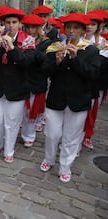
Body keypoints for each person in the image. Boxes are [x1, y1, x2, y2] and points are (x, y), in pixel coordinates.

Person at [40, 13, 100, 183]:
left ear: (83, 30)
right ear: (64, 30)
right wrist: (57, 62)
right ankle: (49, 159)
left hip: (78, 100)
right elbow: (45, 71)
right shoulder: (55, 47)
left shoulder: (91, 50)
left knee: (71, 137)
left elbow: (93, 74)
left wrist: (75, 59)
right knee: (52, 134)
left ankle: (65, 166)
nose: (71, 31)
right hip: (56, 98)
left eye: (76, 28)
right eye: (69, 27)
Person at [0, 7, 35, 163]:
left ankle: (9, 149)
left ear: (20, 24)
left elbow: (27, 63)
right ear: (3, 23)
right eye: (8, 22)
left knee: (11, 123)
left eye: (14, 22)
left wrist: (12, 48)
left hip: (17, 88)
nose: (11, 26)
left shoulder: (28, 40)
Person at [20, 14, 52, 147]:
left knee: (31, 112)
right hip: (21, 80)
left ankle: (29, 135)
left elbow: (45, 60)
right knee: (18, 111)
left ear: (38, 28)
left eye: (33, 27)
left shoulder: (46, 42)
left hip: (37, 80)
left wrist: (32, 48)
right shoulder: (20, 39)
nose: (30, 30)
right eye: (27, 27)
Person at [81, 12, 107, 150]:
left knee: (91, 111)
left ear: (98, 27)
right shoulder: (75, 40)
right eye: (87, 24)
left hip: (95, 83)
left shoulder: (103, 43)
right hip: (78, 81)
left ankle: (87, 135)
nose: (89, 27)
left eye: (93, 24)